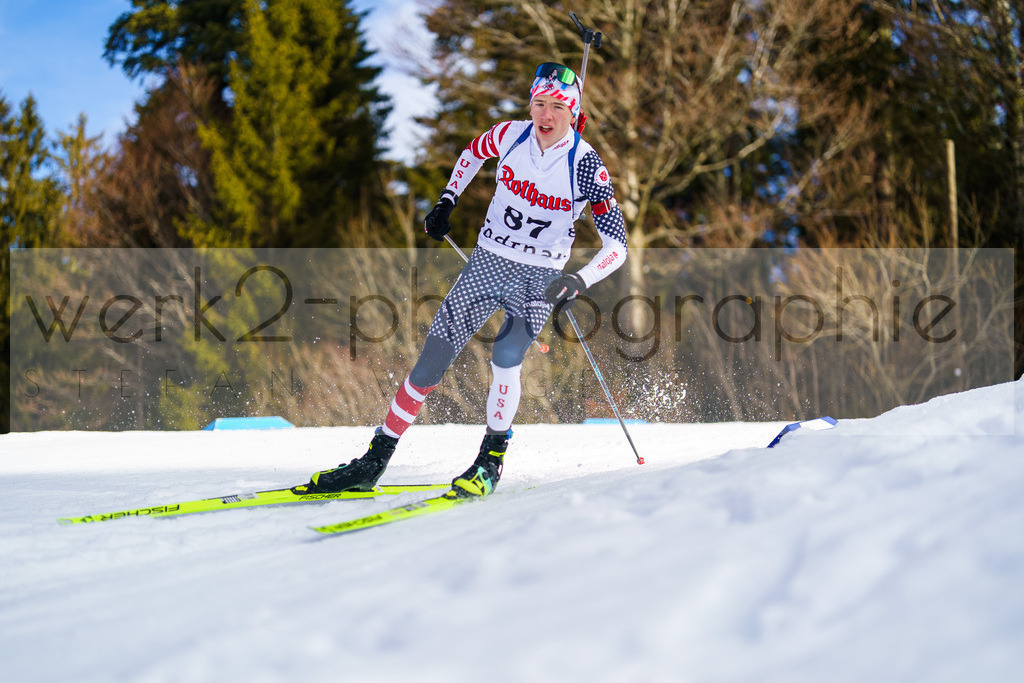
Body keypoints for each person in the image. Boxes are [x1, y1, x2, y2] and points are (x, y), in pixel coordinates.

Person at [297, 62, 628, 498]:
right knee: (429, 363)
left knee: (506, 355)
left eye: (555, 107)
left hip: (539, 276)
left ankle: (489, 461)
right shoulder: (510, 135)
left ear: (572, 113)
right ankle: (374, 460)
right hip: (487, 263)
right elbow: (472, 153)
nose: (545, 116)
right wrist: (447, 199)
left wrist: (578, 280)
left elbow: (617, 245)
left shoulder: (584, 165)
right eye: (538, 104)